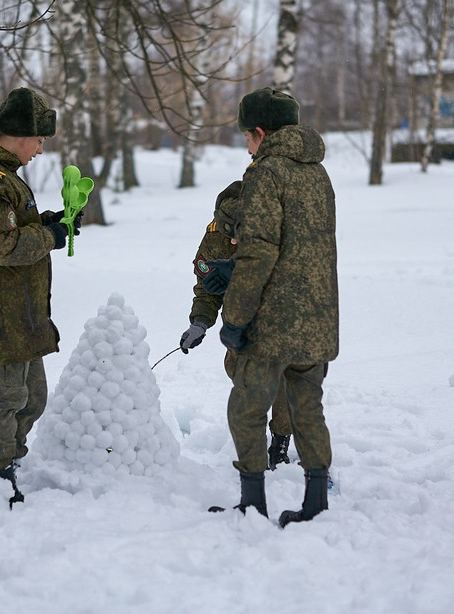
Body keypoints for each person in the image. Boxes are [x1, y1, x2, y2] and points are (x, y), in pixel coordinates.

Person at [207, 88, 339, 527]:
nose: (247, 147)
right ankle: (316, 501)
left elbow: (259, 252)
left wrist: (235, 317)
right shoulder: (318, 173)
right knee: (308, 409)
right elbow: (305, 247)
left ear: (261, 133)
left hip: (274, 322)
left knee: (245, 410)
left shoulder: (266, 174)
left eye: (247, 137)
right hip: (317, 318)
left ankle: (252, 503)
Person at [0, 87, 82, 509]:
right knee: (6, 398)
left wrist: (49, 222)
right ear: (21, 136)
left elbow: (10, 227)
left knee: (33, 396)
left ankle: (12, 460)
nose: (41, 150)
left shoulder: (3, 175)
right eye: (39, 140)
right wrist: (50, 237)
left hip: (21, 311)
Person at [179, 182, 294, 470]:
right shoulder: (214, 236)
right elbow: (206, 289)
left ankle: (280, 443)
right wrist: (200, 322)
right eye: (228, 233)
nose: (232, 242)